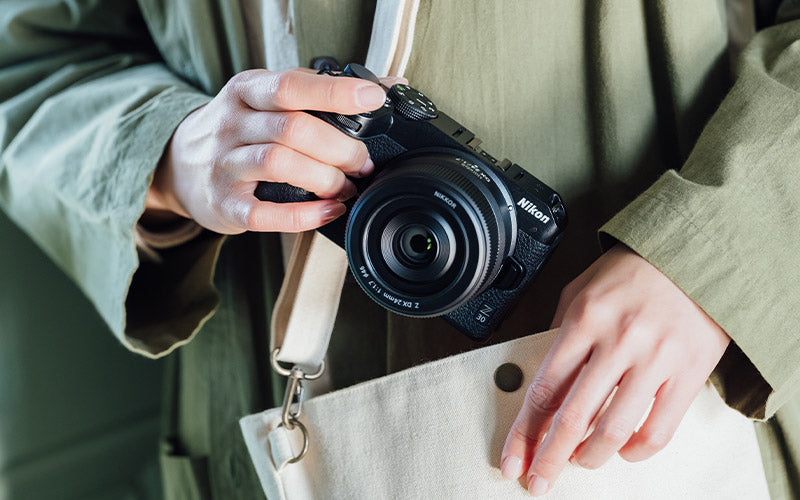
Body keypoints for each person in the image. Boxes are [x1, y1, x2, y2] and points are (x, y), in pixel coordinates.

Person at [1, 0, 799, 498]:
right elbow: (30, 61)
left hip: (658, 375)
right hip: (267, 397)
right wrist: (173, 155)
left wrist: (714, 247)